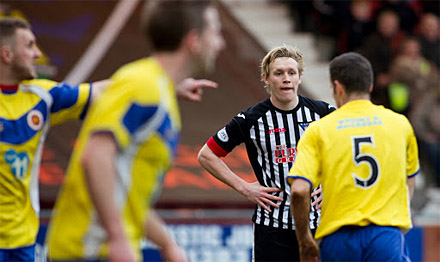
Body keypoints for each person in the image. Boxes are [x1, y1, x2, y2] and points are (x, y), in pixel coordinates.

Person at [45, 1, 225, 261]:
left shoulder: (159, 92)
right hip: (87, 252)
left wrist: (166, 243)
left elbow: (126, 194)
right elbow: (94, 156)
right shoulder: (142, 85)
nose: (221, 44)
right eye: (216, 33)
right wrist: (117, 237)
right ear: (193, 40)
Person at [198, 44, 335, 261]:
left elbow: (347, 150)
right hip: (272, 229)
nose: (286, 79)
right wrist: (244, 187)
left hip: (319, 224)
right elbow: (206, 155)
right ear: (266, 78)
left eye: (291, 73)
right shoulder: (251, 119)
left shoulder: (323, 113)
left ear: (299, 77)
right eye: (278, 73)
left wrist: (331, 184)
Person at [287, 52, 419, 261]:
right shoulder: (400, 124)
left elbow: (299, 191)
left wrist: (304, 240)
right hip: (385, 236)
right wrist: (399, 217)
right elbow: (410, 179)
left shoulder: (319, 130)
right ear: (370, 86)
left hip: (338, 239)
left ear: (337, 88)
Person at [0, 17, 109, 262]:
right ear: (6, 55)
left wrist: (169, 84)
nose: (37, 54)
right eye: (29, 45)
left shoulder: (42, 96)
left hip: (23, 245)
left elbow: (103, 92)